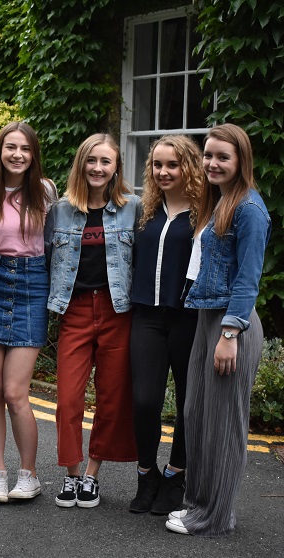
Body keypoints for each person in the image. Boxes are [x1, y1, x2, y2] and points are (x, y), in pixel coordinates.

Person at [166, 124, 271, 536]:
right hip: (207, 318)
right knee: (196, 416)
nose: (212, 163)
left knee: (224, 426)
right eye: (208, 155)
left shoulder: (249, 208)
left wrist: (230, 334)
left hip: (231, 325)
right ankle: (197, 504)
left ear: (240, 161)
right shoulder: (220, 201)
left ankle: (215, 517)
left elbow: (248, 278)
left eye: (222, 156)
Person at [44, 133, 139, 509]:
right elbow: (46, 259)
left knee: (112, 399)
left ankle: (91, 476)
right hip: (76, 310)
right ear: (81, 164)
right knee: (68, 398)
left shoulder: (135, 208)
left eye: (106, 162)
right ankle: (70, 473)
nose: (98, 168)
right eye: (92, 160)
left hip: (118, 312)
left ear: (116, 168)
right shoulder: (60, 210)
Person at [0, 122, 56, 502]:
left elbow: (55, 242)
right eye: (10, 148)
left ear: (33, 154)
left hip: (32, 283)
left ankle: (29, 473)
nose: (17, 154)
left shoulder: (46, 191)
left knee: (17, 391)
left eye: (24, 148)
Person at [129, 136, 203, 515]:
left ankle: (176, 475)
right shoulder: (144, 210)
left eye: (172, 165)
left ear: (188, 166)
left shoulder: (205, 213)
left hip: (188, 318)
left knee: (189, 404)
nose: (163, 172)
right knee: (144, 401)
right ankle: (147, 474)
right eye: (157, 165)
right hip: (145, 317)